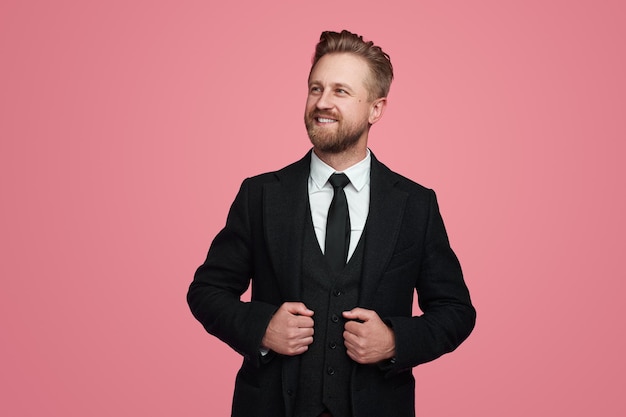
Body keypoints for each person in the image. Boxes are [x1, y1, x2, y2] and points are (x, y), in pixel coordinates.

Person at [187, 30, 475, 417]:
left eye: (340, 91)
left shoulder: (415, 205)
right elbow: (206, 291)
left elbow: (456, 311)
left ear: (376, 109)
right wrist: (262, 329)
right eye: (315, 89)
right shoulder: (260, 195)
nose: (322, 103)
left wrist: (394, 341)